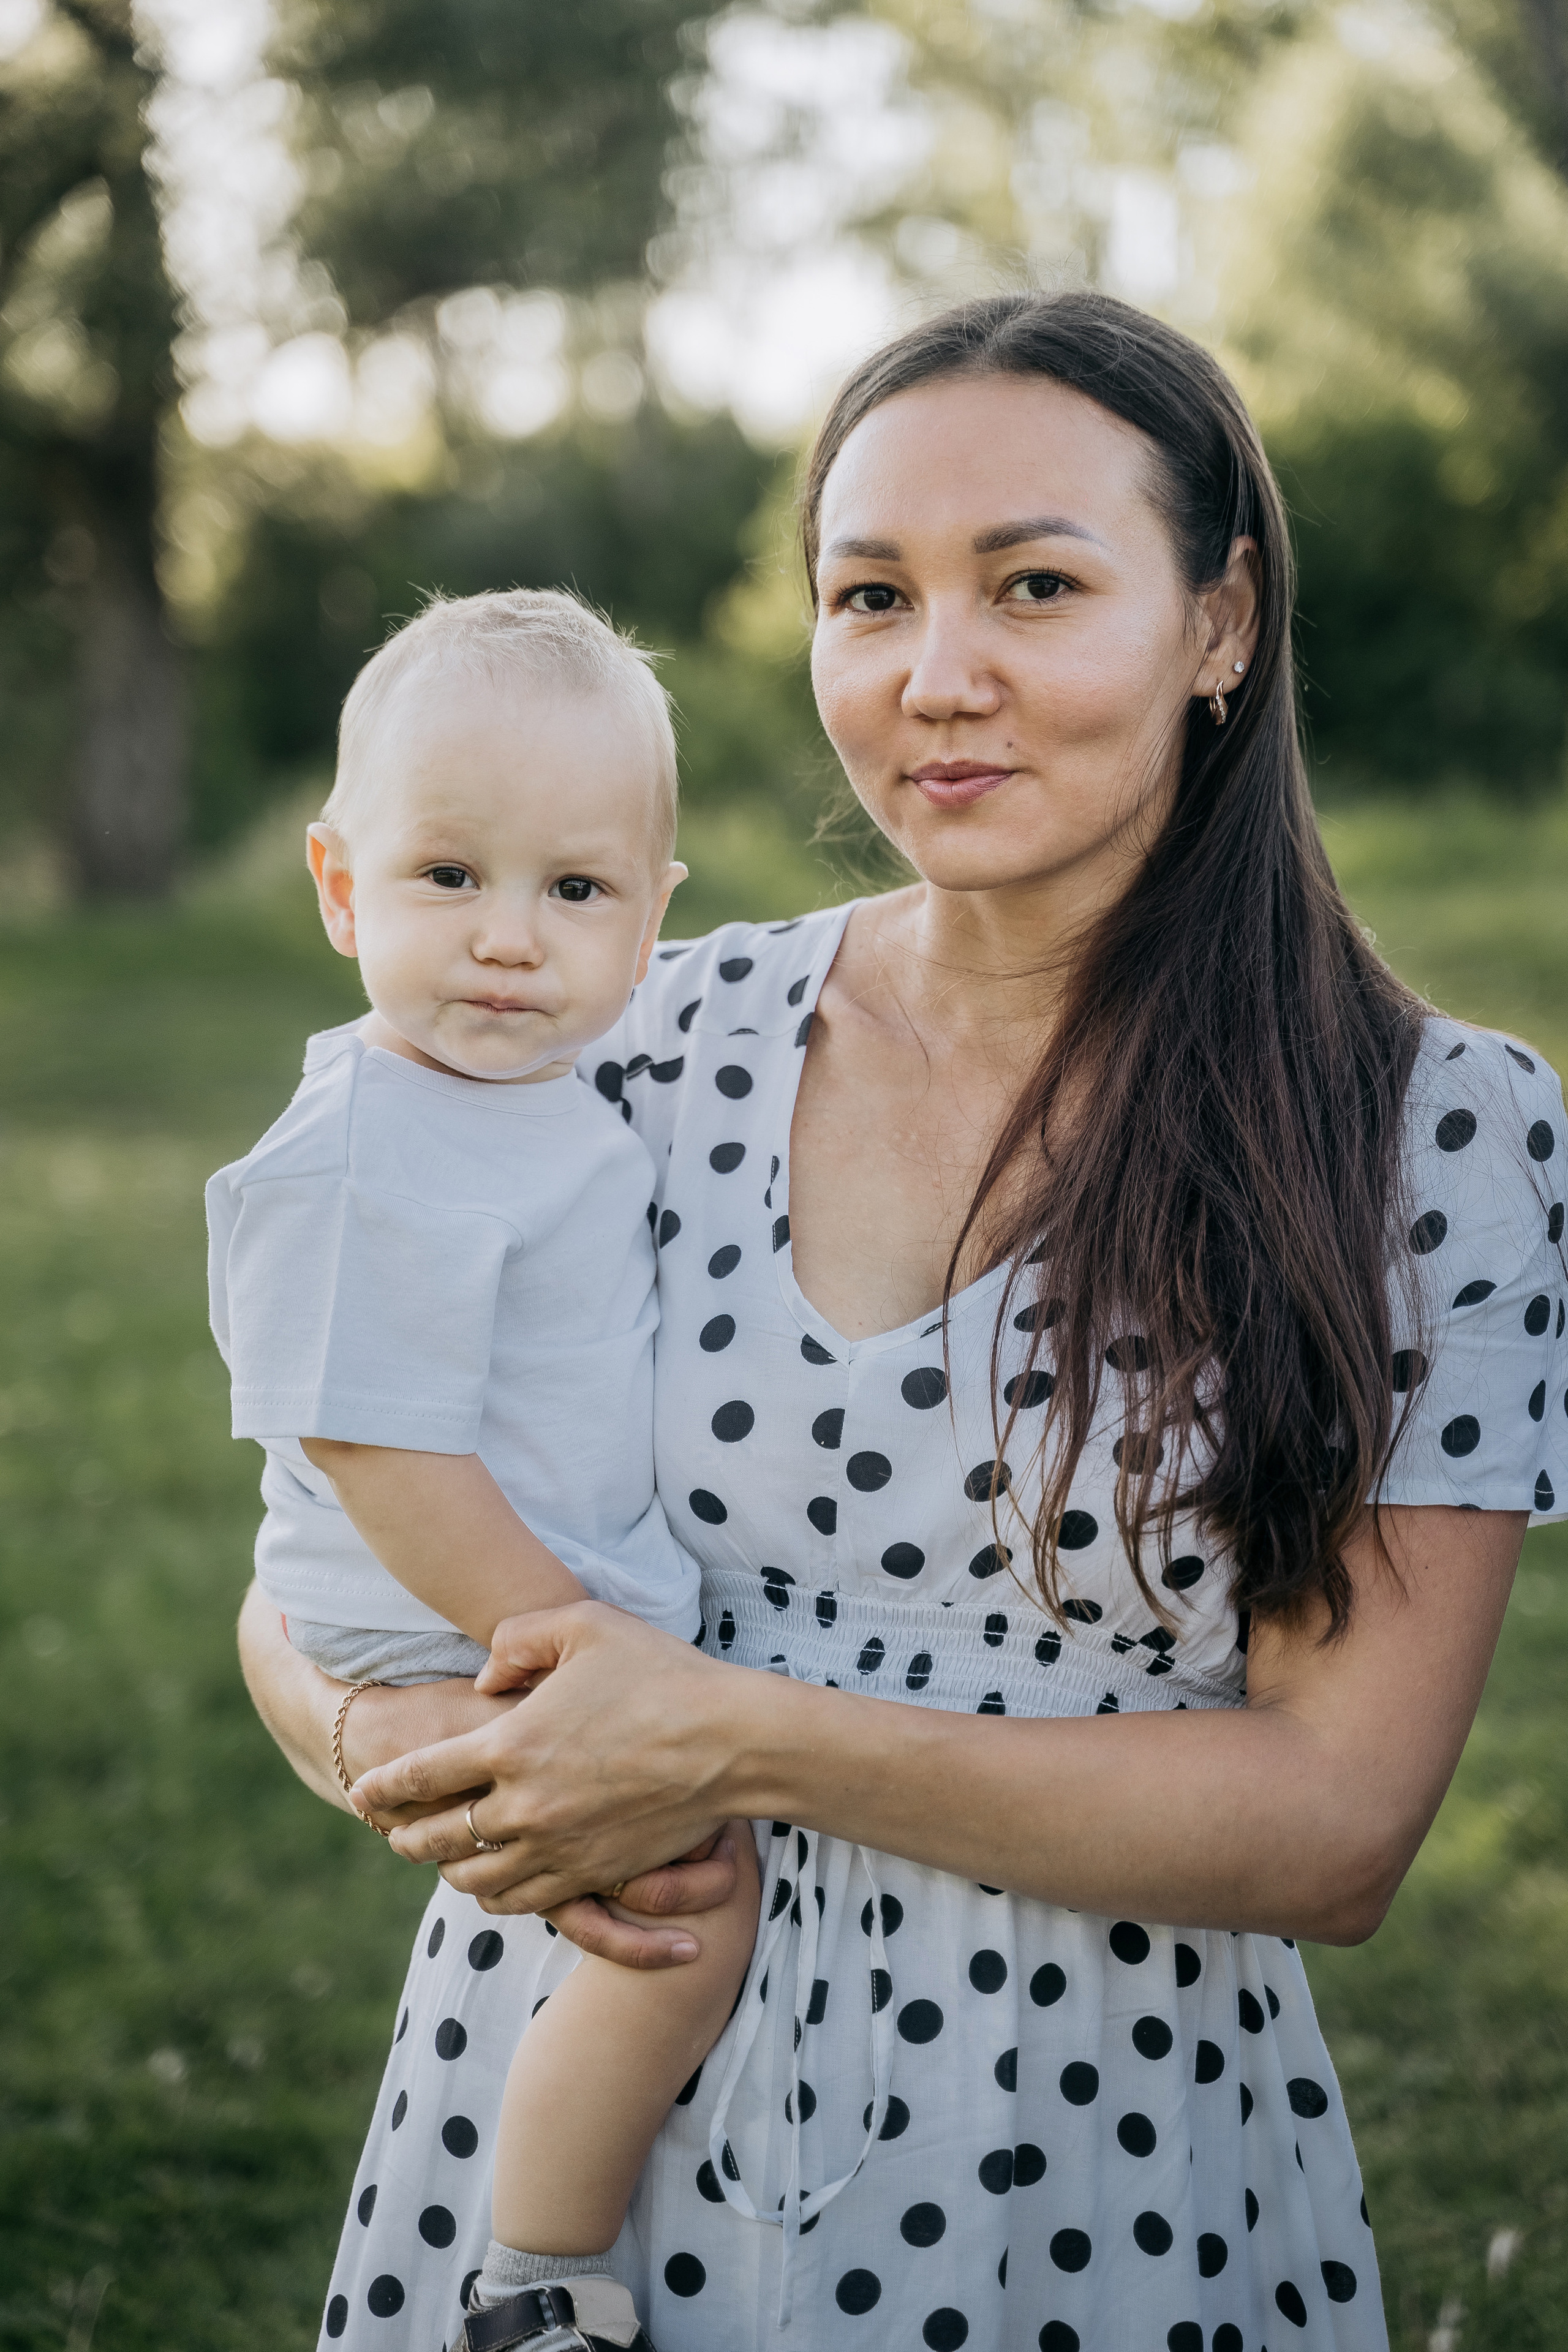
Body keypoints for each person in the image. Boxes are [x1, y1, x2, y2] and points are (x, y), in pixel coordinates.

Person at [241, 290, 1567, 2352]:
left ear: (1221, 622)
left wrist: (732, 1738)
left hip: (1075, 2154)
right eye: (871, 596)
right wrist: (392, 1738)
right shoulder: (631, 1031)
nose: (938, 679)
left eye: (1035, 585)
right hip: (572, 2083)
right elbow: (316, 1536)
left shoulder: (1424, 1129)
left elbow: (1341, 1827)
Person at [209, 587, 761, 2352]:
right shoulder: (366, 1144)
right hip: (439, 1618)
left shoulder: (531, 1097)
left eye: (575, 890)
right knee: (684, 1908)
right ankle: (538, 2274)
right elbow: (379, 1448)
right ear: (339, 885)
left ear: (654, 916)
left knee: (646, 1912)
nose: (511, 941)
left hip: (510, 1601)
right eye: (451, 879)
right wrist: (569, 1644)